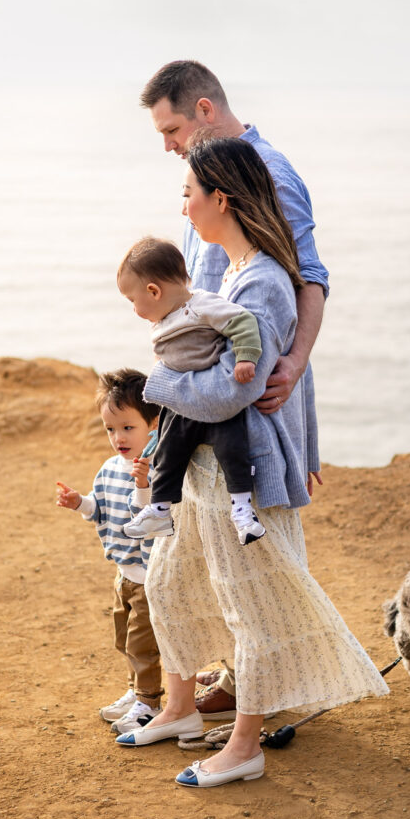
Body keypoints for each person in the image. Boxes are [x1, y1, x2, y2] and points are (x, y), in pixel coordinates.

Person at [114, 137, 389, 788]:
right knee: (167, 583)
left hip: (242, 471)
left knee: (250, 613)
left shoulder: (263, 281)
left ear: (221, 199)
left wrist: (156, 386)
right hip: (201, 470)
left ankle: (244, 746)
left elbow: (231, 391)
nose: (181, 207)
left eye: (188, 193)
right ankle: (180, 709)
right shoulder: (228, 272)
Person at [140, 59, 329, 717]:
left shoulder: (268, 175)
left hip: (252, 383)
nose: (166, 145)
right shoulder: (209, 179)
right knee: (216, 554)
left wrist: (295, 363)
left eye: (170, 129)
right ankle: (241, 681)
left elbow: (306, 276)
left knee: (264, 556)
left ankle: (281, 695)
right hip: (216, 385)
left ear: (202, 109)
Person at [117, 235, 267, 546]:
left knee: (233, 449)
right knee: (168, 453)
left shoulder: (201, 304)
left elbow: (243, 322)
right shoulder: (163, 319)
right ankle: (159, 509)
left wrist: (245, 357)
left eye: (133, 301)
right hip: (183, 404)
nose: (134, 310)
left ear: (154, 291)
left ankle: (242, 510)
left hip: (210, 397)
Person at [55, 369, 165, 735]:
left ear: (153, 423)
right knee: (123, 638)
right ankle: (135, 692)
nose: (118, 437)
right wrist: (78, 503)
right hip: (124, 572)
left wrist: (143, 484)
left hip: (151, 577)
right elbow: (99, 510)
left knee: (143, 644)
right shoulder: (108, 469)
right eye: (110, 429)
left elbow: (149, 516)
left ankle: (149, 702)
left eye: (128, 428)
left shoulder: (154, 469)